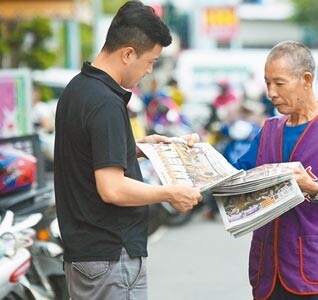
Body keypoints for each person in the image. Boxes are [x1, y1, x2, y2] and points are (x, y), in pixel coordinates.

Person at [53, 2, 202, 300]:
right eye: (150, 61)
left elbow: (87, 152)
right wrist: (170, 193)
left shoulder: (77, 89)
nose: (149, 71)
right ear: (127, 54)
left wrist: (141, 148)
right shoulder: (106, 103)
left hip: (87, 255)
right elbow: (112, 189)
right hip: (110, 255)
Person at [234, 41, 318, 300]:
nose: (271, 92)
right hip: (271, 272)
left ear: (306, 80)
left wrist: (314, 188)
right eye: (267, 83)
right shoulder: (269, 131)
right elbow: (234, 177)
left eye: (279, 83)